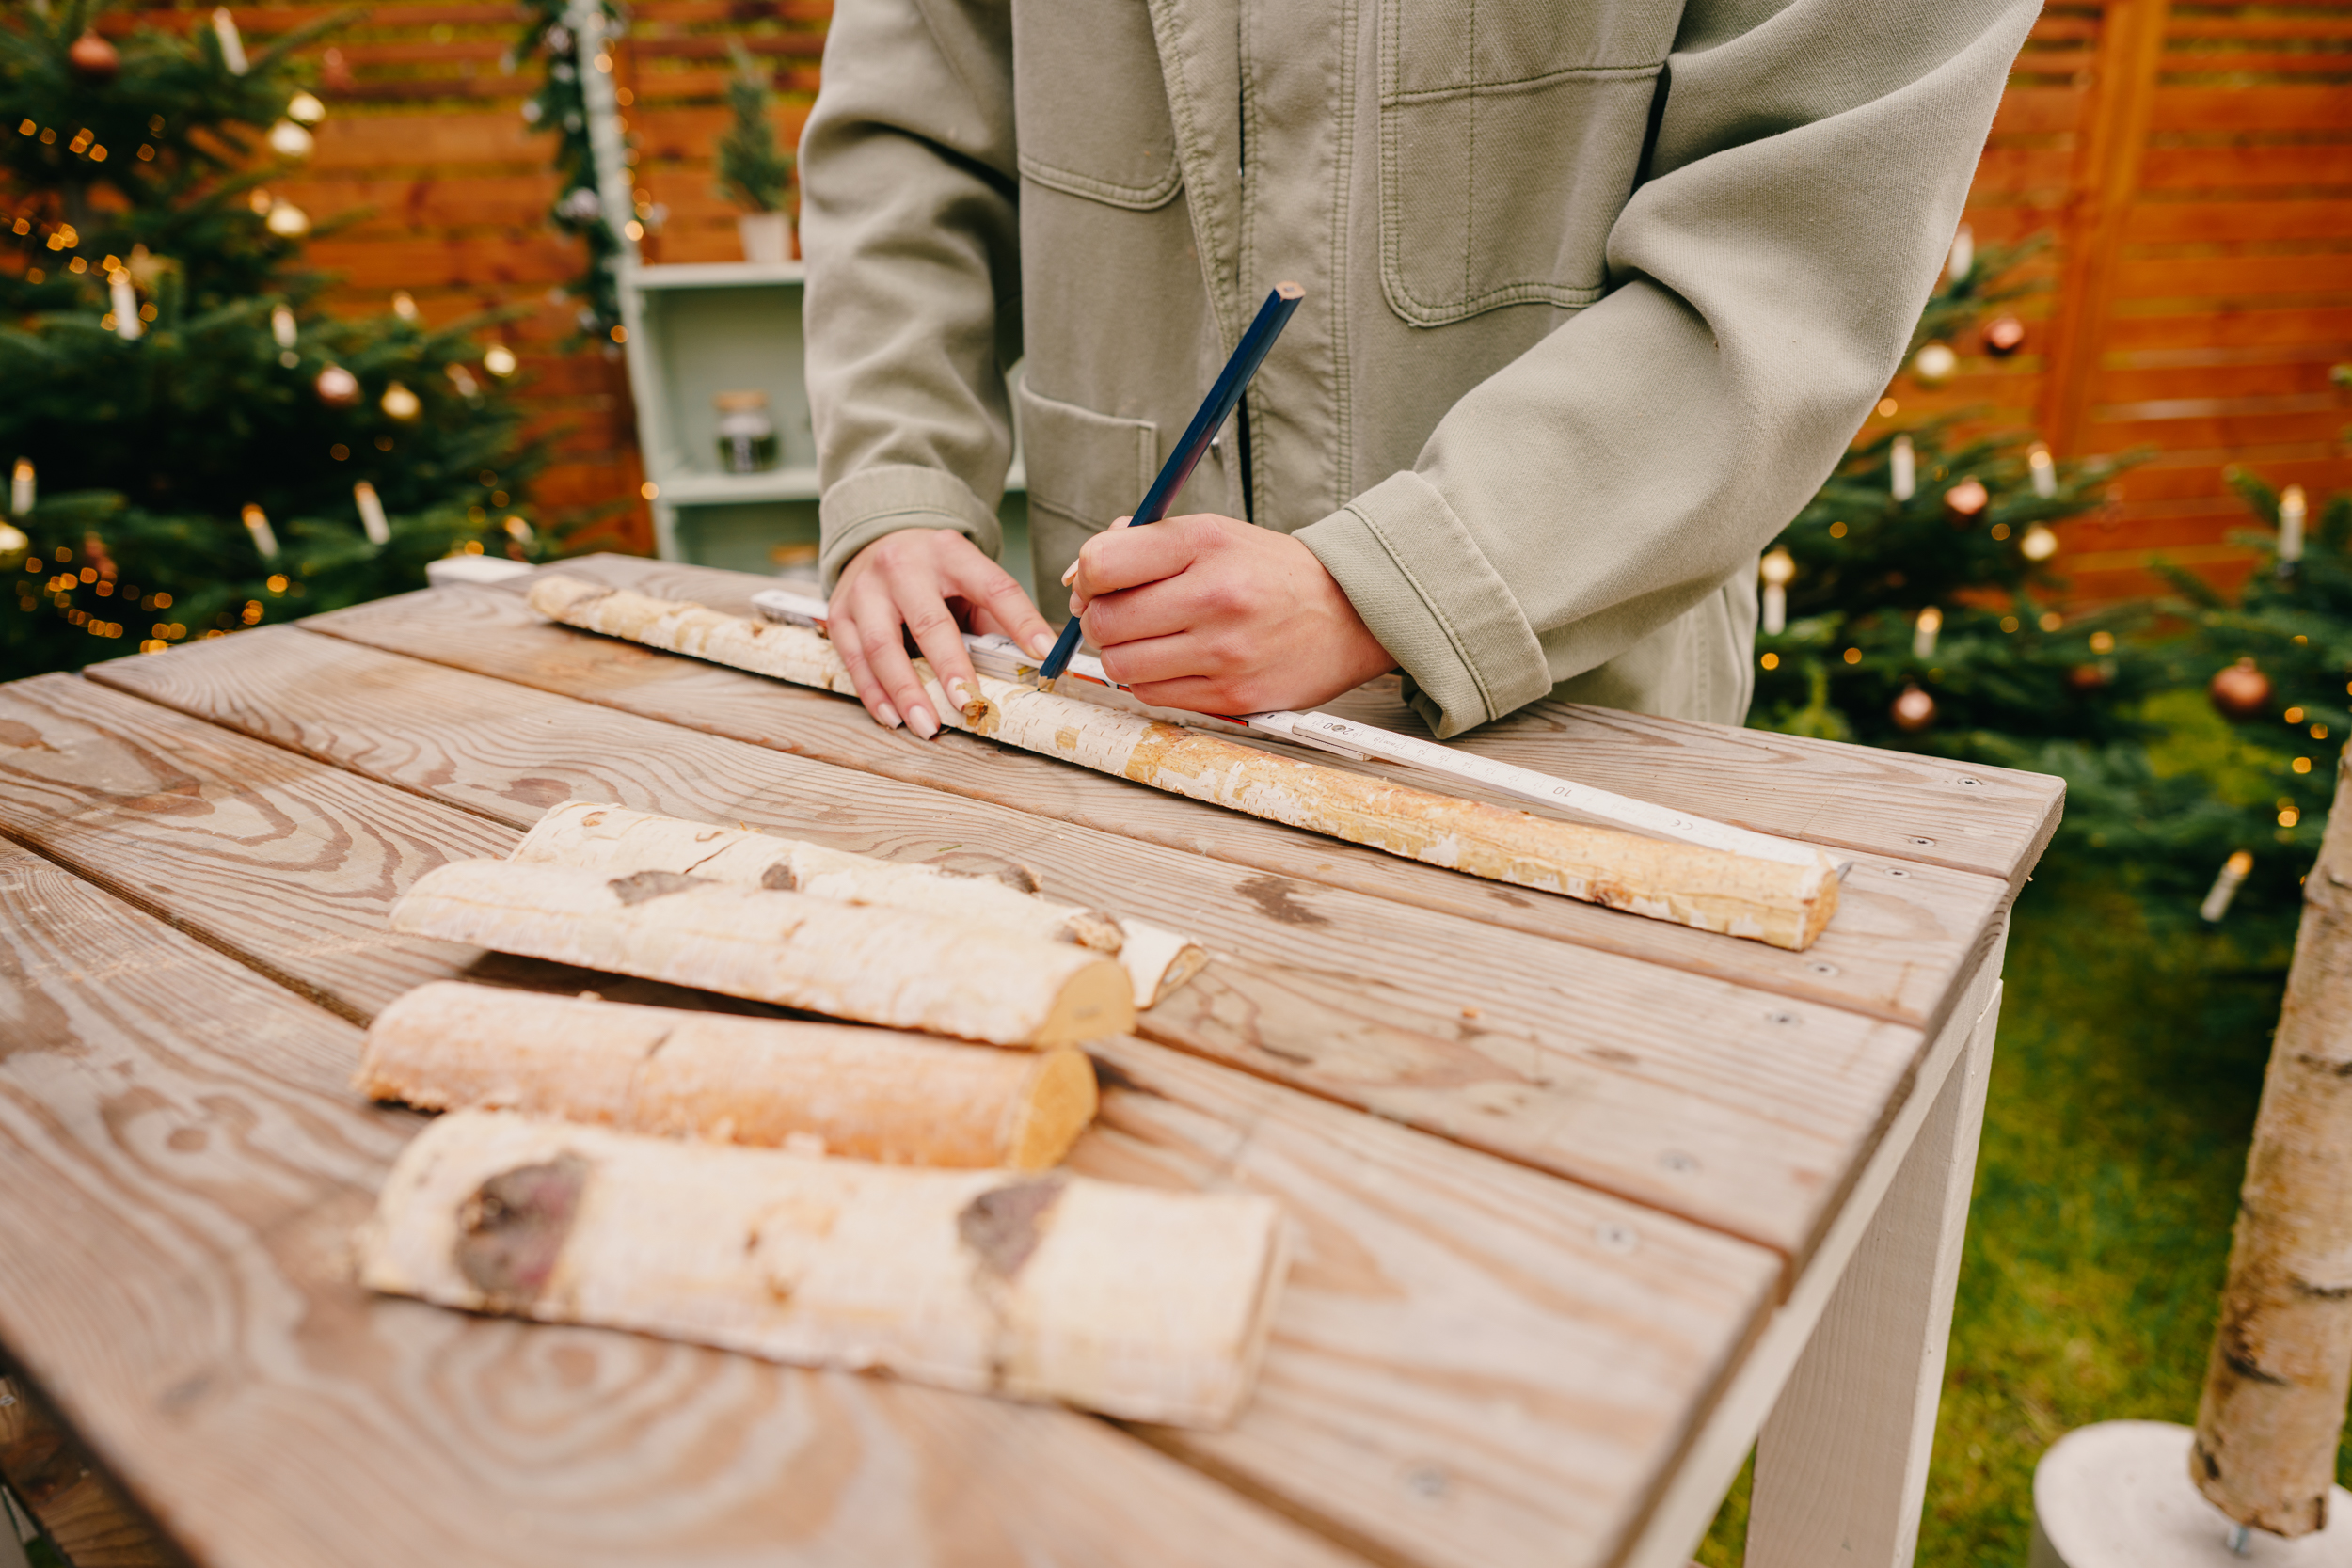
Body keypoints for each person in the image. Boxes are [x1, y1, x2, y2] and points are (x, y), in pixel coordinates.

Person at [799, 0, 2035, 739]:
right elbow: (910, 130)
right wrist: (898, 488)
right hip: (1120, 707)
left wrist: (1398, 588)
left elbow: (1798, 244)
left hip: (1570, 720)